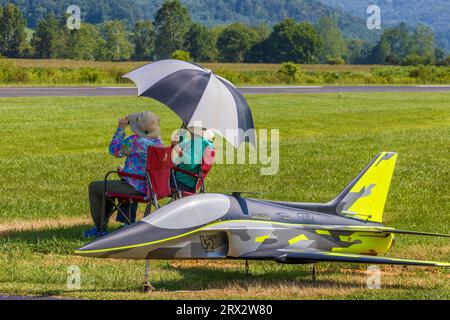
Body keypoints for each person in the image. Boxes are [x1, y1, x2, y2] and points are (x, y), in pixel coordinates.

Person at [84, 111, 163, 238]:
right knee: (119, 178)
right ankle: (127, 221)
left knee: (95, 187)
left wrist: (120, 128)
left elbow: (114, 150)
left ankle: (100, 228)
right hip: (151, 186)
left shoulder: (134, 141)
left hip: (136, 188)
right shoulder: (159, 143)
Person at [170, 125, 215, 193]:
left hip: (180, 183)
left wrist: (176, 147)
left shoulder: (199, 144)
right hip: (180, 180)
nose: (188, 123)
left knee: (152, 178)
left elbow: (190, 164)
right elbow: (181, 144)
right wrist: (183, 131)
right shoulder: (196, 141)